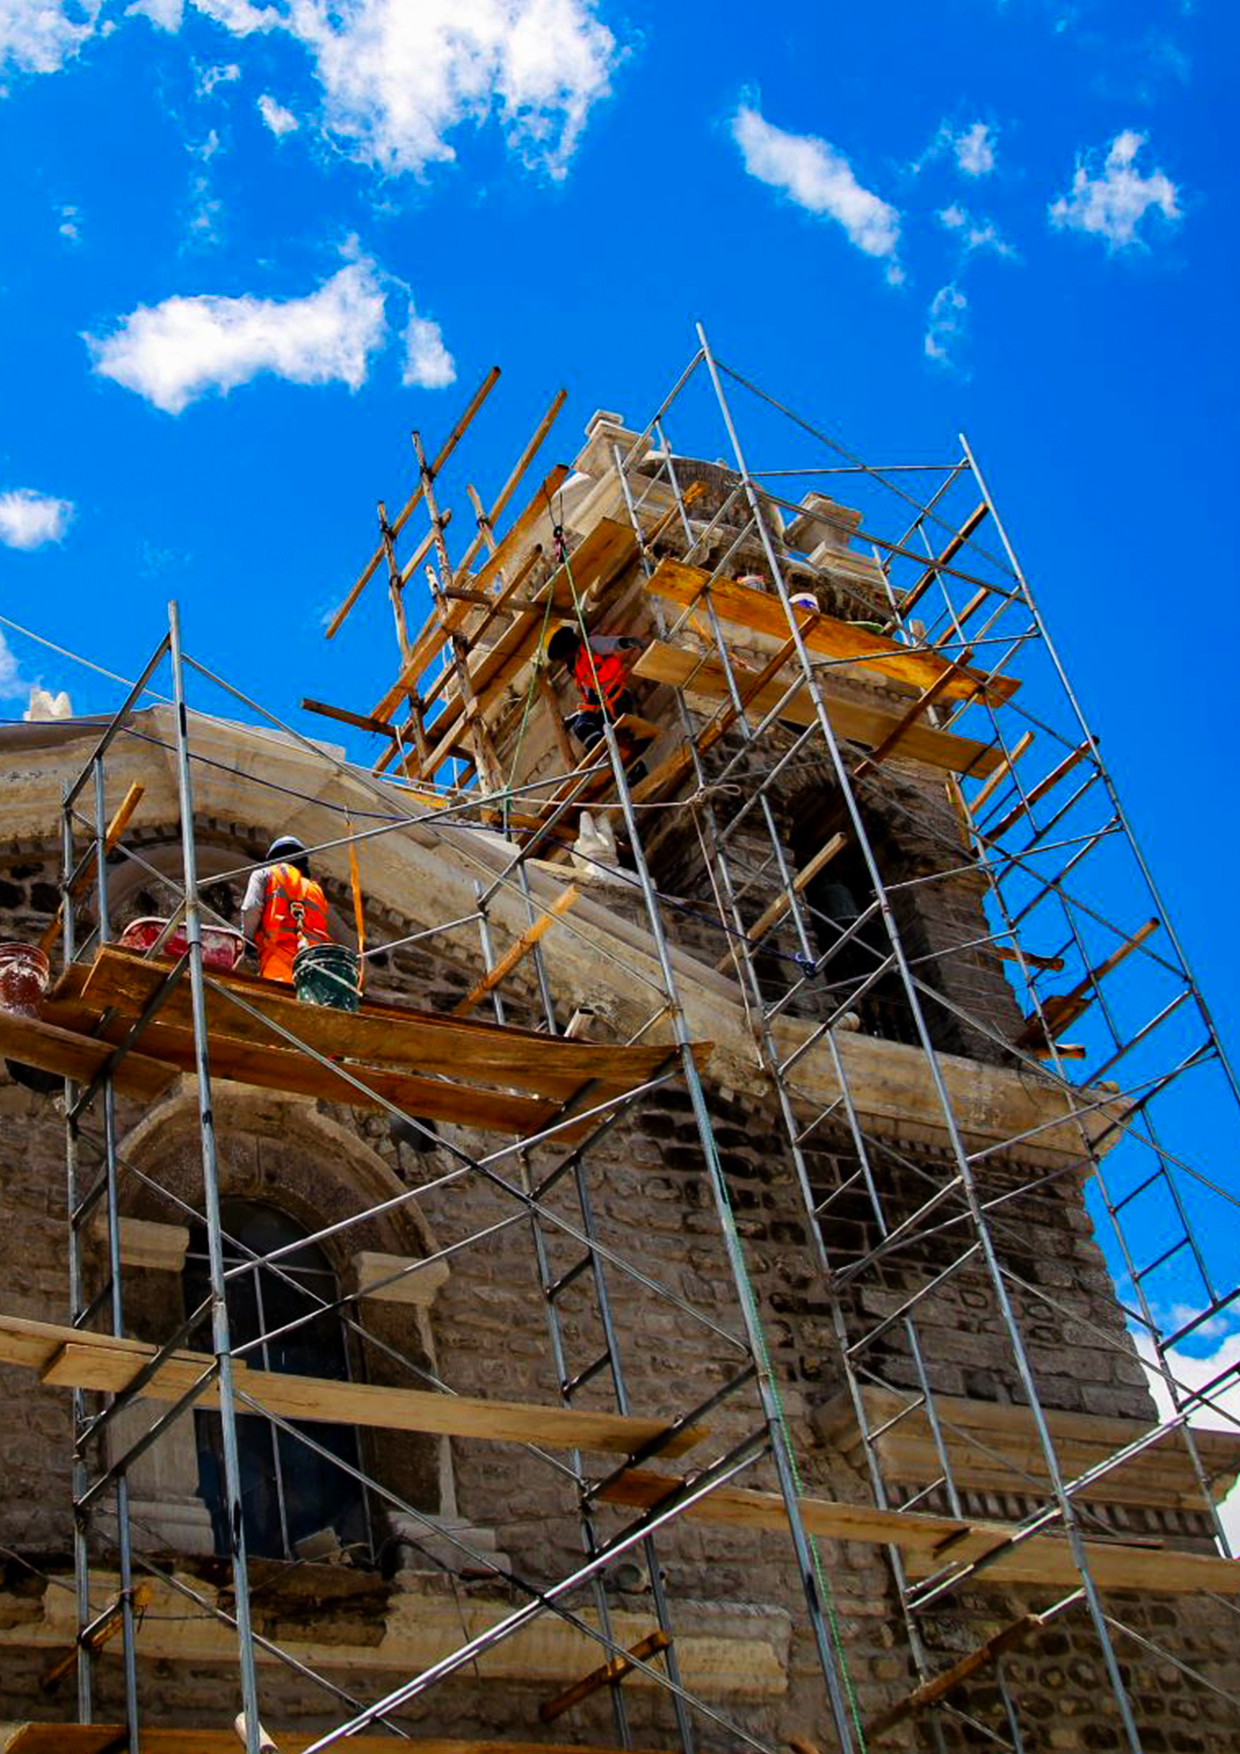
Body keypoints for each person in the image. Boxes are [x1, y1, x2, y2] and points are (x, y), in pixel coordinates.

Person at [241, 835, 332, 984]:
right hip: (313, 969)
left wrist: (248, 943)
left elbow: (250, 908)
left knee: (277, 1001)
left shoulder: (264, 873)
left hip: (277, 962)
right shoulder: (316, 890)